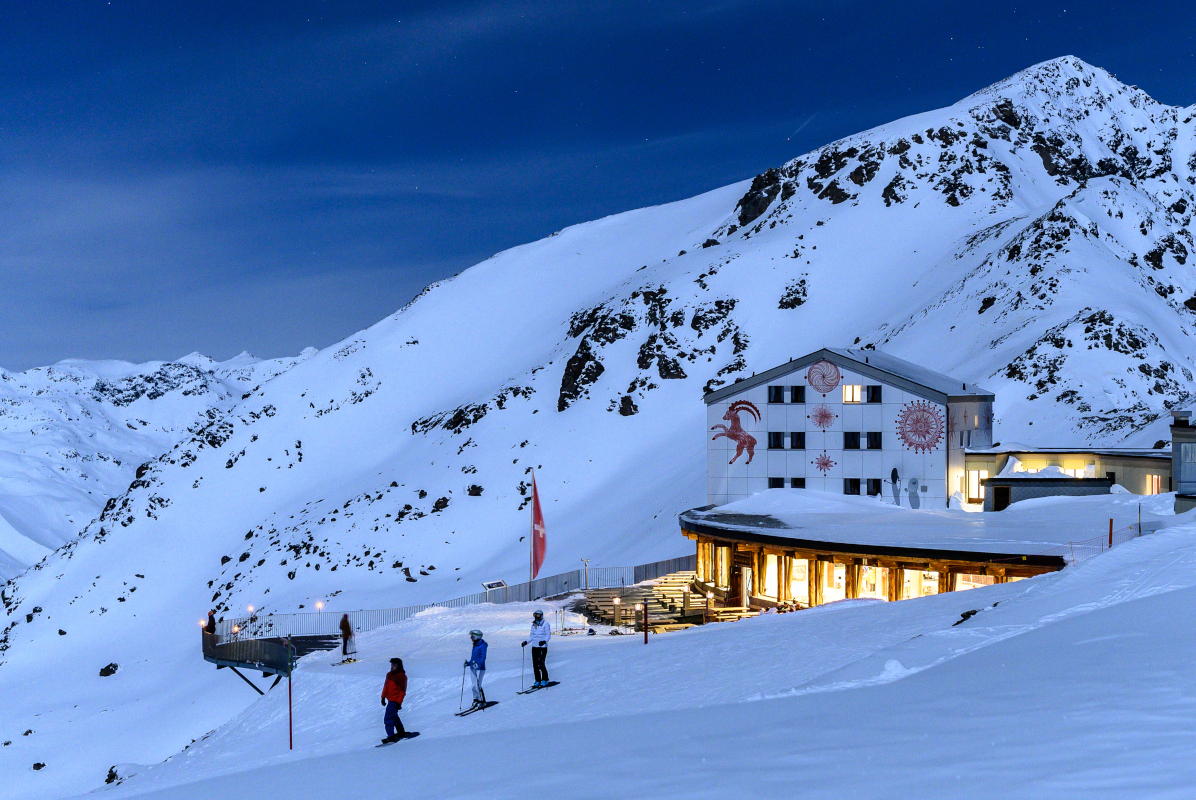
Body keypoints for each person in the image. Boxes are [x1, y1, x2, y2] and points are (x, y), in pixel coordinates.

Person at [521, 609, 552, 687]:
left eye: (537, 616)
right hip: (535, 647)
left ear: (541, 616)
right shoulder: (534, 625)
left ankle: (545, 679)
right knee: (535, 664)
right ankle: (537, 680)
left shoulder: (545, 624)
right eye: (535, 616)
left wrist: (544, 641)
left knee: (541, 663)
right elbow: (532, 636)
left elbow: (548, 635)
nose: (536, 618)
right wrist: (526, 642)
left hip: (542, 647)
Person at [380, 657, 407, 743]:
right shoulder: (389, 675)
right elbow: (386, 686)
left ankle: (391, 736)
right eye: (392, 665)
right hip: (389, 699)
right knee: (394, 717)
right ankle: (401, 732)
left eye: (395, 665)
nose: (392, 666)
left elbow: (402, 691)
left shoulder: (402, 676)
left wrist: (399, 702)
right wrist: (383, 697)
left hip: (395, 701)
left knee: (388, 718)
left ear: (399, 666)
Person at [464, 629, 487, 709]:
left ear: (476, 636)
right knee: (474, 685)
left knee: (478, 685)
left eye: (472, 636)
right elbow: (474, 658)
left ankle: (482, 701)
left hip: (480, 668)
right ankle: (476, 700)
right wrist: (469, 663)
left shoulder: (482, 645)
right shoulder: (475, 645)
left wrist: (478, 664)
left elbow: (483, 657)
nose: (471, 637)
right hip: (473, 668)